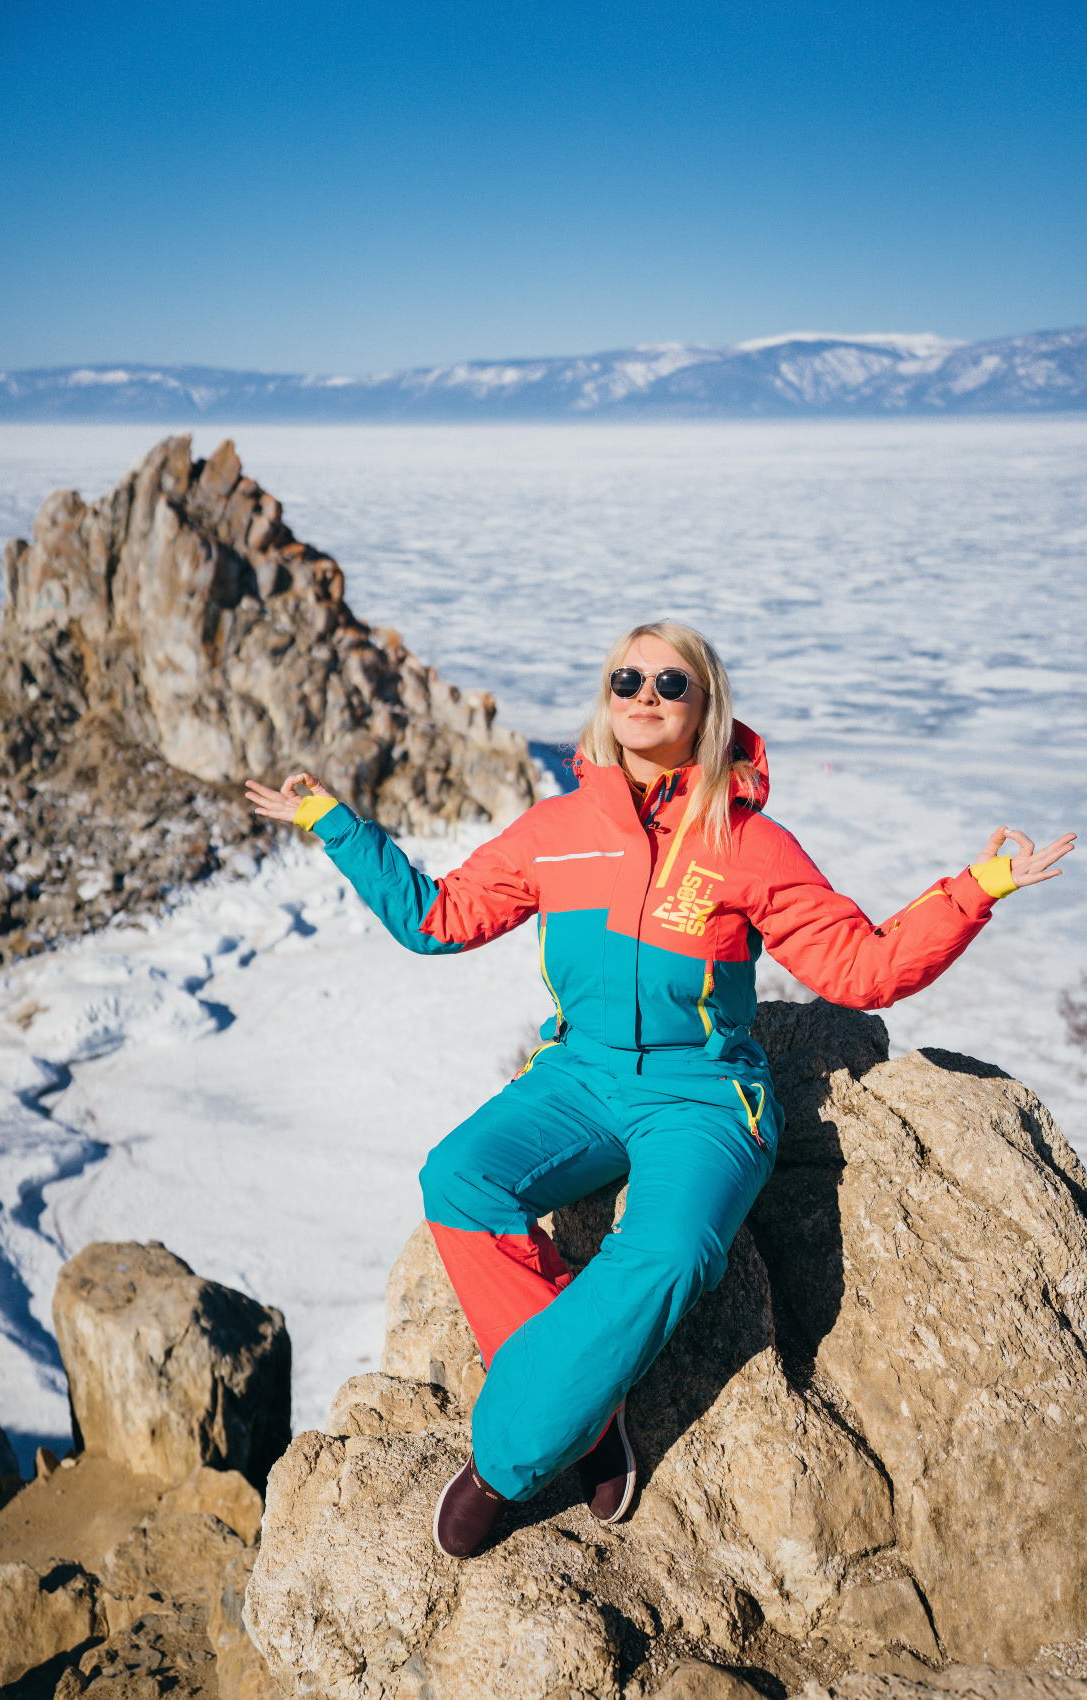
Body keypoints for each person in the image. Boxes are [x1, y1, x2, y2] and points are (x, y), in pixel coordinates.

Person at [246, 620, 1075, 1560]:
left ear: (704, 707)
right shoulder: (555, 833)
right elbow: (438, 919)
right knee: (458, 1180)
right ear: (605, 701)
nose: (643, 693)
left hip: (704, 1096)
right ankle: (590, 1415)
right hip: (579, 1077)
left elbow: (859, 968)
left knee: (673, 1251)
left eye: (668, 682)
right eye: (625, 678)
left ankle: (507, 1464)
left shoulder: (749, 844)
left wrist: (976, 887)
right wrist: (336, 829)